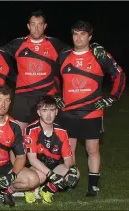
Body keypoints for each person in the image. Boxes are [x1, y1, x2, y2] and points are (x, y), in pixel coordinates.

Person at [55, 20, 125, 197]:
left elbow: (119, 75)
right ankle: (72, 178)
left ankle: (93, 185)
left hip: (92, 111)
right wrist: (56, 96)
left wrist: (112, 97)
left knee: (92, 149)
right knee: (68, 150)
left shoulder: (99, 54)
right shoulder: (63, 55)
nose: (78, 38)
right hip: (68, 111)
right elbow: (54, 78)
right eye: (75, 34)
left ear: (90, 37)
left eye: (83, 34)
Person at [1, 10, 70, 130]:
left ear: (45, 26)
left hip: (47, 95)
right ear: (28, 26)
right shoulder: (18, 43)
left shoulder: (55, 44)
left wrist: (92, 46)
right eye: (33, 24)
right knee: (17, 134)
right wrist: (13, 77)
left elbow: (76, 55)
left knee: (45, 134)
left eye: (40, 24)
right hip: (23, 97)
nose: (36, 28)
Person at [24, 96, 79, 204]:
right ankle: (30, 190)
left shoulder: (62, 131)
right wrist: (51, 175)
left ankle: (47, 190)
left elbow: (68, 158)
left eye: (52, 110)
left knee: (75, 173)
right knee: (40, 175)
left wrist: (72, 169)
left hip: (54, 166)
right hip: (35, 167)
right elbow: (32, 159)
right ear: (39, 112)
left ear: (56, 112)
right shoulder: (31, 130)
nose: (48, 115)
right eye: (44, 110)